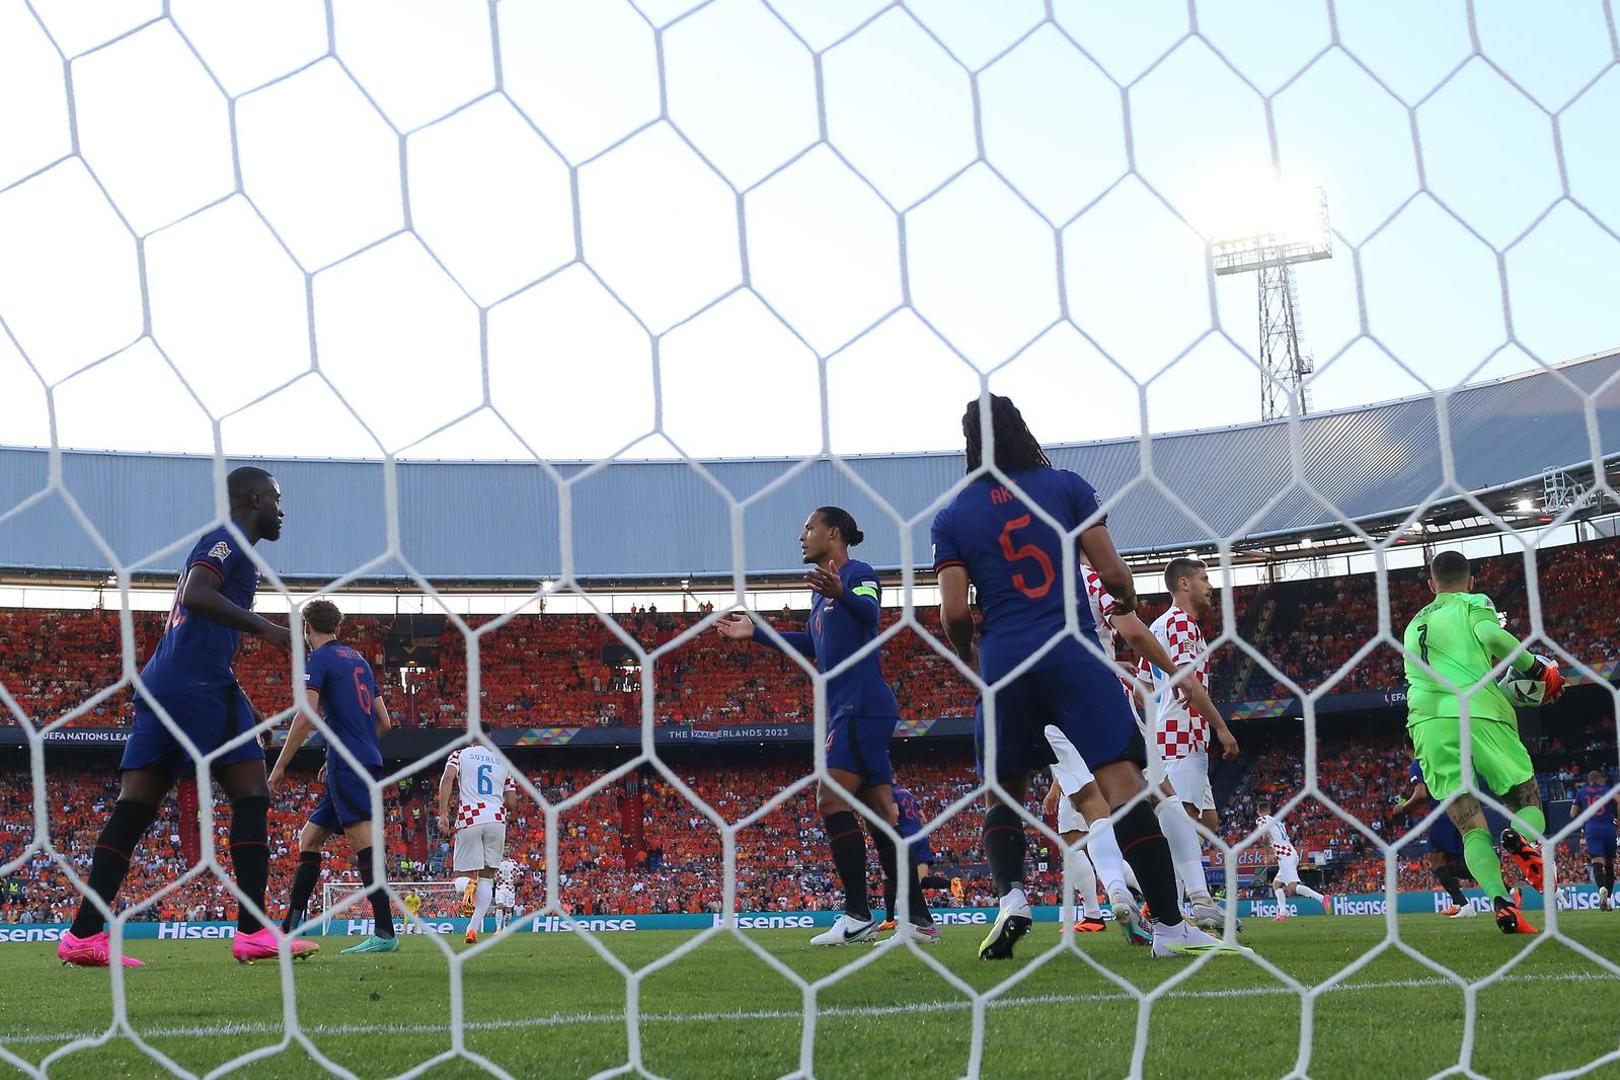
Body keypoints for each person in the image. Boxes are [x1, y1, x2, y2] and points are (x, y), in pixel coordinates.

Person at [931, 395, 1246, 960]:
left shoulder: (954, 515)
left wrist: (975, 655)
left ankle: (1012, 897)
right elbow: (1112, 573)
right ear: (1023, 428)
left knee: (1001, 792)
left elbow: (954, 613)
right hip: (1075, 654)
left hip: (1006, 661)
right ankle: (1172, 929)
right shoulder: (1067, 487)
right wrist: (1123, 596)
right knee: (1125, 787)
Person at [58, 467, 307, 967]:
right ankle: (254, 932)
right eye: (276, 500)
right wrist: (269, 631)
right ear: (254, 497)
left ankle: (83, 935)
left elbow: (198, 616)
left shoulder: (233, 546)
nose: (282, 510)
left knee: (135, 808)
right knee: (253, 792)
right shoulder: (228, 537)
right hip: (195, 684)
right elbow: (196, 593)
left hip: (173, 683)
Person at [717, 507, 936, 945]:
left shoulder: (858, 573)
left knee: (830, 801)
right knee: (881, 817)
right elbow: (814, 644)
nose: (802, 536)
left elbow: (871, 615)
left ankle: (857, 914)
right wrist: (756, 632)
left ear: (832, 533)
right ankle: (918, 922)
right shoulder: (819, 597)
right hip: (846, 708)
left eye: (808, 528)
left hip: (861, 706)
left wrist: (842, 592)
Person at [1403, 550, 1564, 935]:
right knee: (1524, 796)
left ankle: (1501, 903)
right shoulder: (1474, 603)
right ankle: (1523, 840)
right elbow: (1492, 635)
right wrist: (1539, 670)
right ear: (1471, 581)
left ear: (1431, 585)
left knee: (1471, 827)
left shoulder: (1412, 625)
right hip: (1476, 707)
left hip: (1427, 721)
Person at [269, 598, 398, 954]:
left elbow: (306, 714)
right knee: (308, 839)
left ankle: (386, 933)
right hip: (360, 759)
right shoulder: (359, 660)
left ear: (307, 628)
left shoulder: (319, 659)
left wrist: (280, 766)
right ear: (336, 626)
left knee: (364, 845)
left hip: (349, 764)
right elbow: (384, 723)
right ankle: (289, 932)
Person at [1141, 558, 1241, 922]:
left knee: (1207, 821)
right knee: (1182, 818)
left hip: (1170, 733)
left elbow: (1144, 689)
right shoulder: (1181, 624)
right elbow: (1188, 680)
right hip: (1183, 733)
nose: (1209, 585)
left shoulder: (1158, 626)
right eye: (1203, 578)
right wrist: (1221, 727)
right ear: (1183, 584)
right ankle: (1179, 905)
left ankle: (1169, 899)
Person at [438, 725, 517, 945]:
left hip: (470, 818)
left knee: (461, 876)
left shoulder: (460, 755)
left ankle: (466, 887)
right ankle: (472, 930)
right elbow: (511, 803)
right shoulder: (503, 762)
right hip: (496, 821)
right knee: (487, 878)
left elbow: (447, 778)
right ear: (489, 737)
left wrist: (443, 814)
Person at [1395, 760, 1478, 918]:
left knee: (1437, 864)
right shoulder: (1438, 756)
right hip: (1462, 808)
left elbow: (1421, 794)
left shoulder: (1418, 763)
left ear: (1407, 748)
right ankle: (1458, 902)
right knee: (1452, 866)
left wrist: (1403, 808)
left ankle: (1465, 905)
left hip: (1443, 812)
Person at [878, 785, 951, 933]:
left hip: (904, 837)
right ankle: (952, 884)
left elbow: (895, 813)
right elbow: (922, 817)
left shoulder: (888, 791)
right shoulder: (907, 792)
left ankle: (890, 919)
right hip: (920, 837)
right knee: (920, 881)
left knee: (887, 874)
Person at [1253, 800, 1330, 920]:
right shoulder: (1278, 822)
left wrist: (1268, 855)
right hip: (1290, 853)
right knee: (1276, 885)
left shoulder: (1262, 820)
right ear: (1269, 810)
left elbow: (1265, 837)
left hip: (1286, 857)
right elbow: (1281, 843)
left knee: (1292, 887)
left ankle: (1322, 898)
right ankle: (1283, 913)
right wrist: (1274, 855)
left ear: (1258, 812)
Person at [1572, 770, 1617, 911]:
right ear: (1600, 779)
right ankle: (1608, 899)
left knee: (1597, 862)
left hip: (1592, 829)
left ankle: (1601, 888)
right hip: (1609, 828)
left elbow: (1573, 813)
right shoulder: (1608, 791)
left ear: (1590, 780)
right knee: (1610, 865)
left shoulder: (1582, 792)